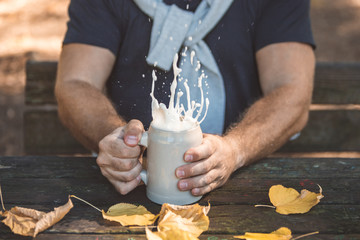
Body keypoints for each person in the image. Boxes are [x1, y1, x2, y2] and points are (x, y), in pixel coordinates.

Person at [55, 0, 315, 196]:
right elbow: (75, 83)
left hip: (242, 185)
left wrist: (235, 150)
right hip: (129, 189)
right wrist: (118, 140)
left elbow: (292, 91)